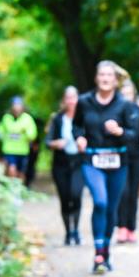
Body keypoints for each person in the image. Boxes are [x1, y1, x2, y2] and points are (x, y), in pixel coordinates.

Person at [74, 61, 136, 274]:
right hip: (92, 160)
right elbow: (76, 125)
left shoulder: (124, 105)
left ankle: (105, 251)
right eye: (101, 74)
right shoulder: (84, 102)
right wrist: (79, 137)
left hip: (118, 162)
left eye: (109, 75)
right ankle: (98, 252)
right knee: (100, 201)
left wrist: (119, 132)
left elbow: (134, 135)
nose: (105, 78)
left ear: (115, 79)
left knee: (111, 208)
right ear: (96, 77)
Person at [45, 86, 84, 246]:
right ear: (64, 100)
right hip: (61, 163)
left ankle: (76, 230)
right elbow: (47, 142)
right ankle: (68, 232)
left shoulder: (83, 118)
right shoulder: (57, 119)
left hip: (79, 162)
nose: (71, 101)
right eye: (68, 98)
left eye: (74, 97)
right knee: (65, 197)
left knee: (76, 195)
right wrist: (56, 143)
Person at [115, 80, 139, 243]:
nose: (126, 97)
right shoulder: (115, 111)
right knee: (123, 192)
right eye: (123, 94)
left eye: (129, 94)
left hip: (138, 157)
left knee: (133, 193)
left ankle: (131, 228)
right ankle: (121, 227)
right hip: (120, 157)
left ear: (134, 95)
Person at [0, 96, 38, 180]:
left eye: (18, 105)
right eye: (15, 105)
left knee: (21, 174)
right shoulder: (6, 118)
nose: (16, 108)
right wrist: (4, 137)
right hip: (9, 150)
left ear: (22, 107)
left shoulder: (27, 119)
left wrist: (25, 132)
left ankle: (19, 190)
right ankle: (11, 189)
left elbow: (32, 134)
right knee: (11, 170)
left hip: (22, 151)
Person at [23, 111, 45, 189]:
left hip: (32, 151)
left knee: (30, 167)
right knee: (28, 167)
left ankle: (28, 184)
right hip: (26, 150)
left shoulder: (33, 124)